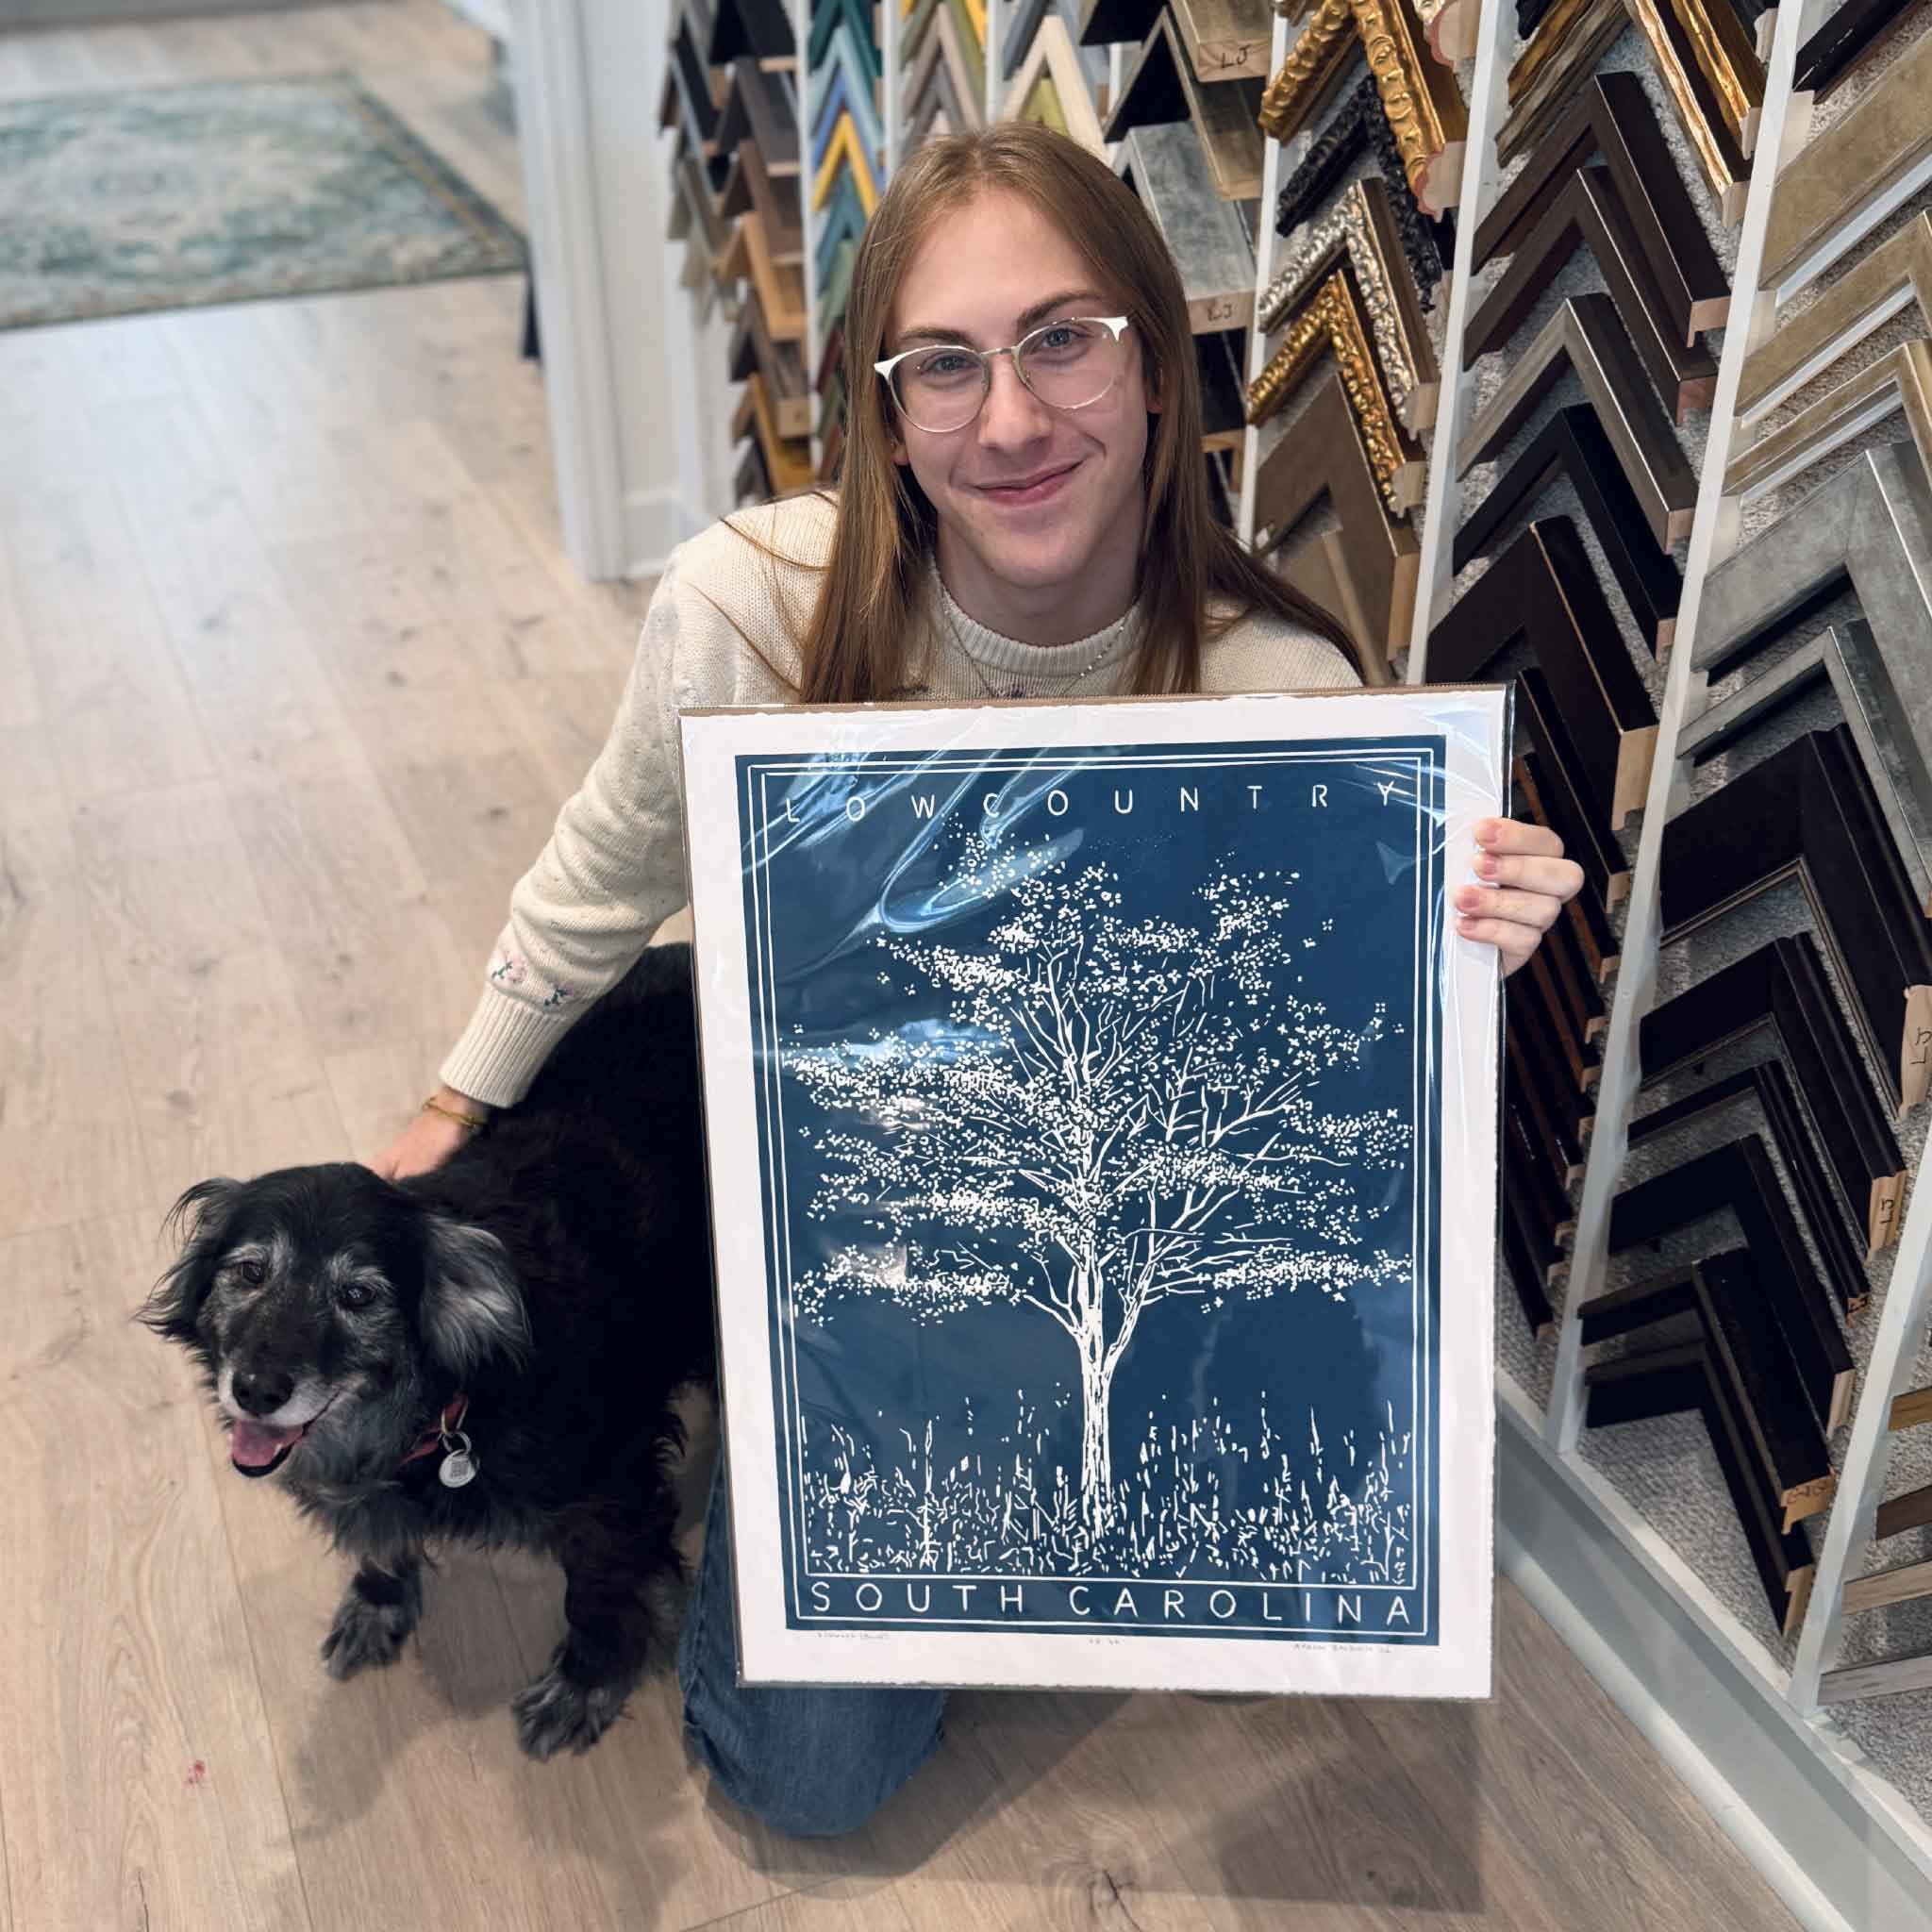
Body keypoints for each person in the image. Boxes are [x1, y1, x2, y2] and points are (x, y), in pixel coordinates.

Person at [372, 123, 1583, 1837]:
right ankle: (773, 1420)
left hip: (1089, 1258)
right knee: (804, 1779)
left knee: (1149, 1564)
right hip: (832, 1240)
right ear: (883, 412)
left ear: (1160, 367)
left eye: (1064, 339)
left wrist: (1457, 945)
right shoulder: (749, 609)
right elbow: (598, 879)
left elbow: (1320, 1100)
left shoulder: (1282, 699)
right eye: (943, 363)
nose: (1010, 419)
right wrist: (450, 1099)